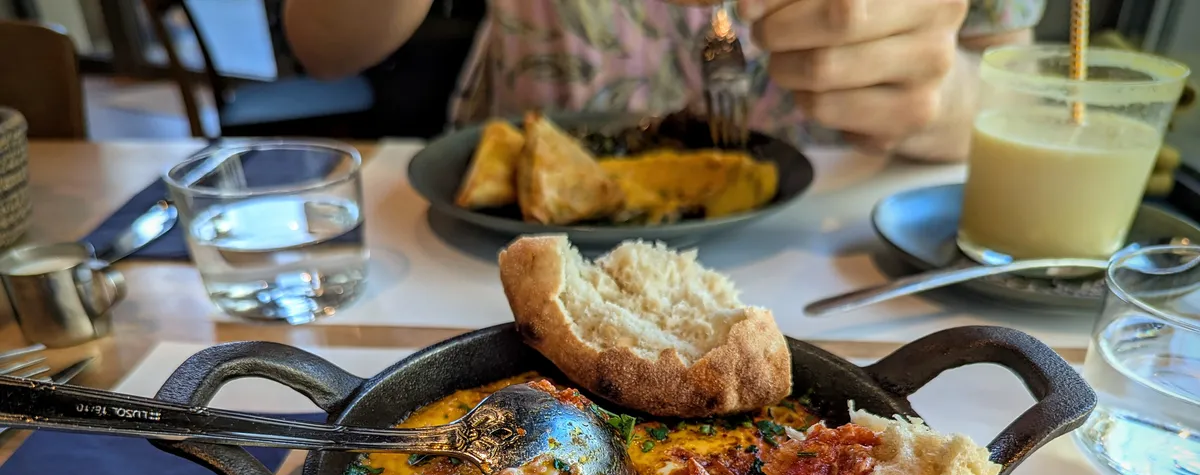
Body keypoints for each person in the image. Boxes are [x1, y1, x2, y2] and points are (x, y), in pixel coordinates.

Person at [270, 0, 1045, 162]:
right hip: (494, 249)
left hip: (834, 262)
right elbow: (324, 47)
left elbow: (1030, 88)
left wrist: (939, 97)